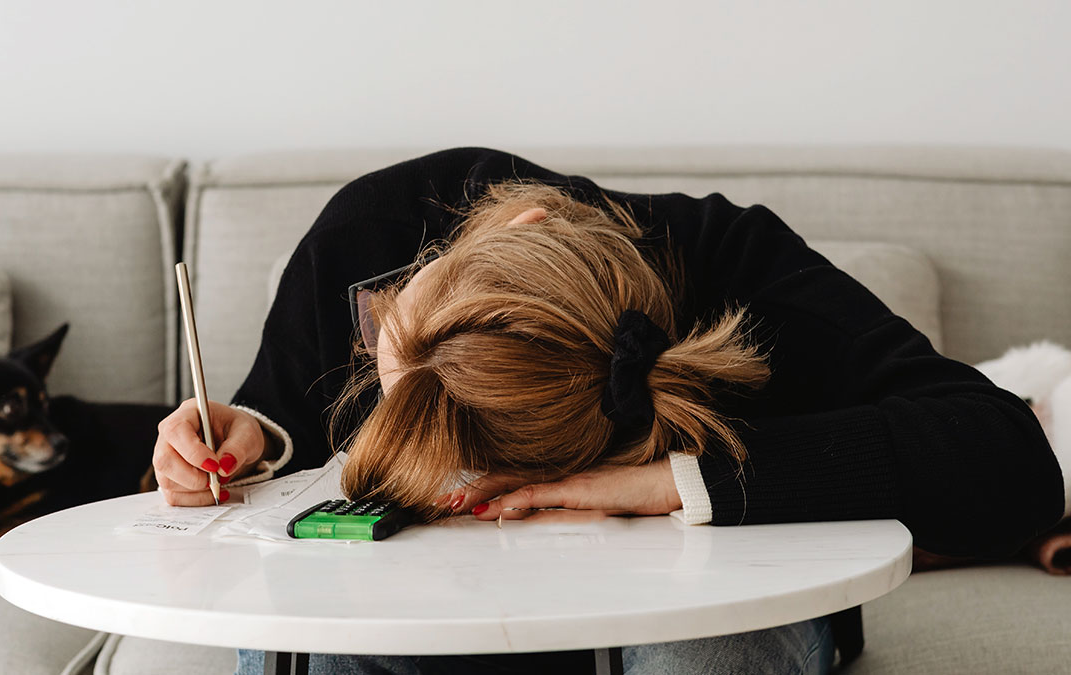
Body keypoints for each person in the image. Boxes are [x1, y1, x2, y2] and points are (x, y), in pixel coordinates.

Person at [150, 148, 1065, 674]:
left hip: (701, 611)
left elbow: (1008, 458)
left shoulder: (732, 260)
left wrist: (670, 483)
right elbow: (284, 434)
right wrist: (249, 441)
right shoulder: (368, 235)